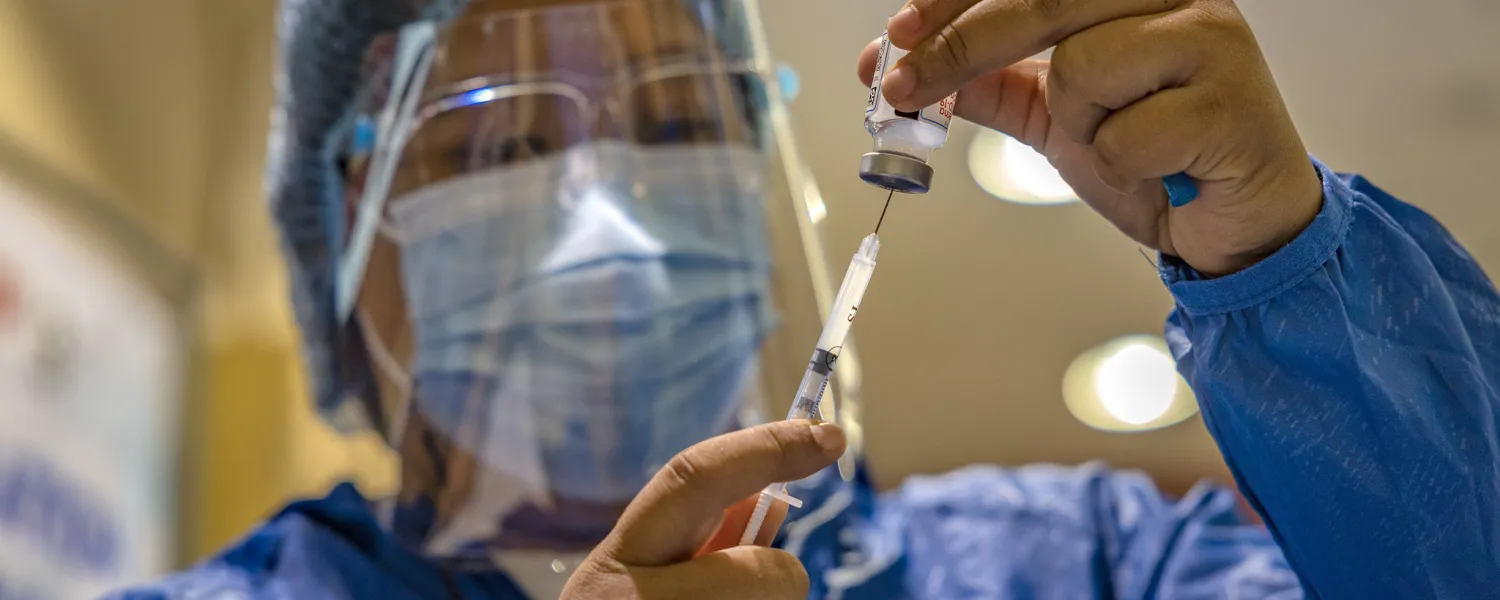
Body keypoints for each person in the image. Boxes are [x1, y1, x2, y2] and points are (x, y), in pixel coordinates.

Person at [114, 0, 1500, 598]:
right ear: (344, 247)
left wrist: (1278, 247)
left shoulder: (1066, 572)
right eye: (505, 145)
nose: (609, 215)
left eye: (673, 125)